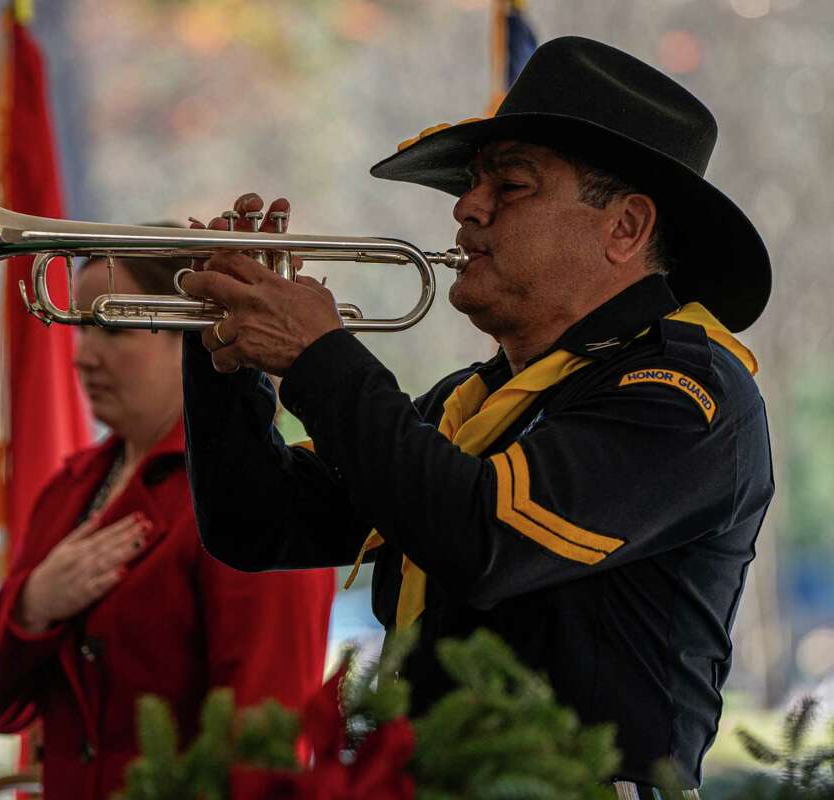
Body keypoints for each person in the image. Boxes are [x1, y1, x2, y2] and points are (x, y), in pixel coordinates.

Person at [178, 36, 773, 794]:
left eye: (511, 185)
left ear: (624, 229)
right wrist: (219, 354)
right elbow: (254, 525)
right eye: (473, 183)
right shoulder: (477, 402)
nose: (466, 206)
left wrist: (320, 356)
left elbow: (483, 537)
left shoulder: (688, 391)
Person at [0, 252, 336, 800]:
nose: (82, 358)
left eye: (111, 326)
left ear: (193, 334)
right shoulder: (69, 489)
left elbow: (263, 740)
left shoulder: (257, 498)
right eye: (81, 327)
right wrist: (32, 605)